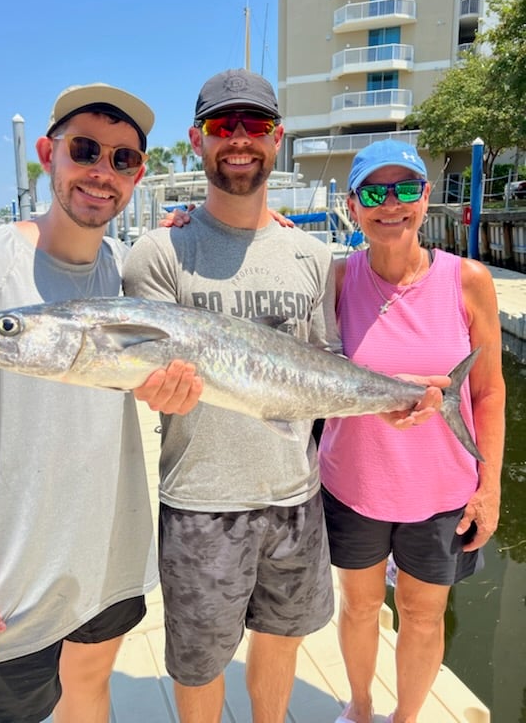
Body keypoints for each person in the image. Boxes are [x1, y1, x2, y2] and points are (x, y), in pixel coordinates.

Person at [0, 82, 202, 723]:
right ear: (49, 154)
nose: (102, 172)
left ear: (138, 176)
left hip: (106, 561)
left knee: (89, 696)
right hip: (2, 579)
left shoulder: (129, 271)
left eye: (123, 159)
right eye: (85, 150)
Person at [121, 68, 342, 723]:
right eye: (224, 126)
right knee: (200, 663)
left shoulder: (312, 254)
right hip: (202, 502)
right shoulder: (160, 251)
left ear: (278, 140)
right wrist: (157, 391)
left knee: (280, 642)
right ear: (198, 140)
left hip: (297, 496)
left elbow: (326, 365)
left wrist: (395, 400)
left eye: (255, 126)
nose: (239, 140)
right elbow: (148, 379)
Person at [318, 140, 506, 723]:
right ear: (353, 206)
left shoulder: (468, 279)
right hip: (353, 483)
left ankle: (405, 717)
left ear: (426, 197)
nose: (390, 204)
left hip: (442, 491)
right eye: (375, 192)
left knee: (424, 615)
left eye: (405, 189)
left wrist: (490, 484)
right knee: (359, 606)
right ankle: (362, 705)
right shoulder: (337, 279)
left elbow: (490, 390)